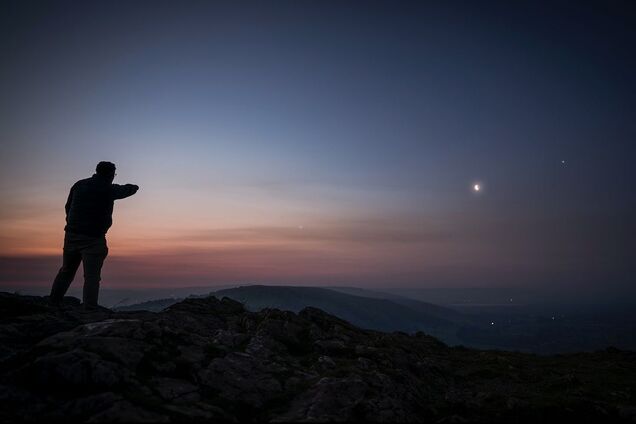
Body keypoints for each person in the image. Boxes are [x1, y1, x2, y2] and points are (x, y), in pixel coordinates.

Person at [49, 161, 139, 309]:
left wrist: (72, 224)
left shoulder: (79, 185)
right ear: (110, 174)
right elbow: (128, 190)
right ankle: (89, 308)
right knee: (92, 277)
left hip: (72, 235)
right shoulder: (108, 189)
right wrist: (135, 187)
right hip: (93, 238)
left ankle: (53, 302)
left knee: (66, 271)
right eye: (114, 174)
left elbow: (68, 206)